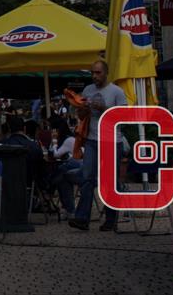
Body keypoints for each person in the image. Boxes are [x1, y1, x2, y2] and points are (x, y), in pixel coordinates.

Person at [67, 59, 127, 233]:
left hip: (111, 141)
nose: (94, 76)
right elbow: (82, 115)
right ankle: (82, 218)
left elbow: (123, 116)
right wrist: (82, 109)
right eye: (92, 72)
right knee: (87, 178)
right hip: (92, 139)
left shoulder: (116, 91)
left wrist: (105, 108)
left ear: (106, 73)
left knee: (109, 181)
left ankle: (110, 219)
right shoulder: (88, 90)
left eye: (98, 73)